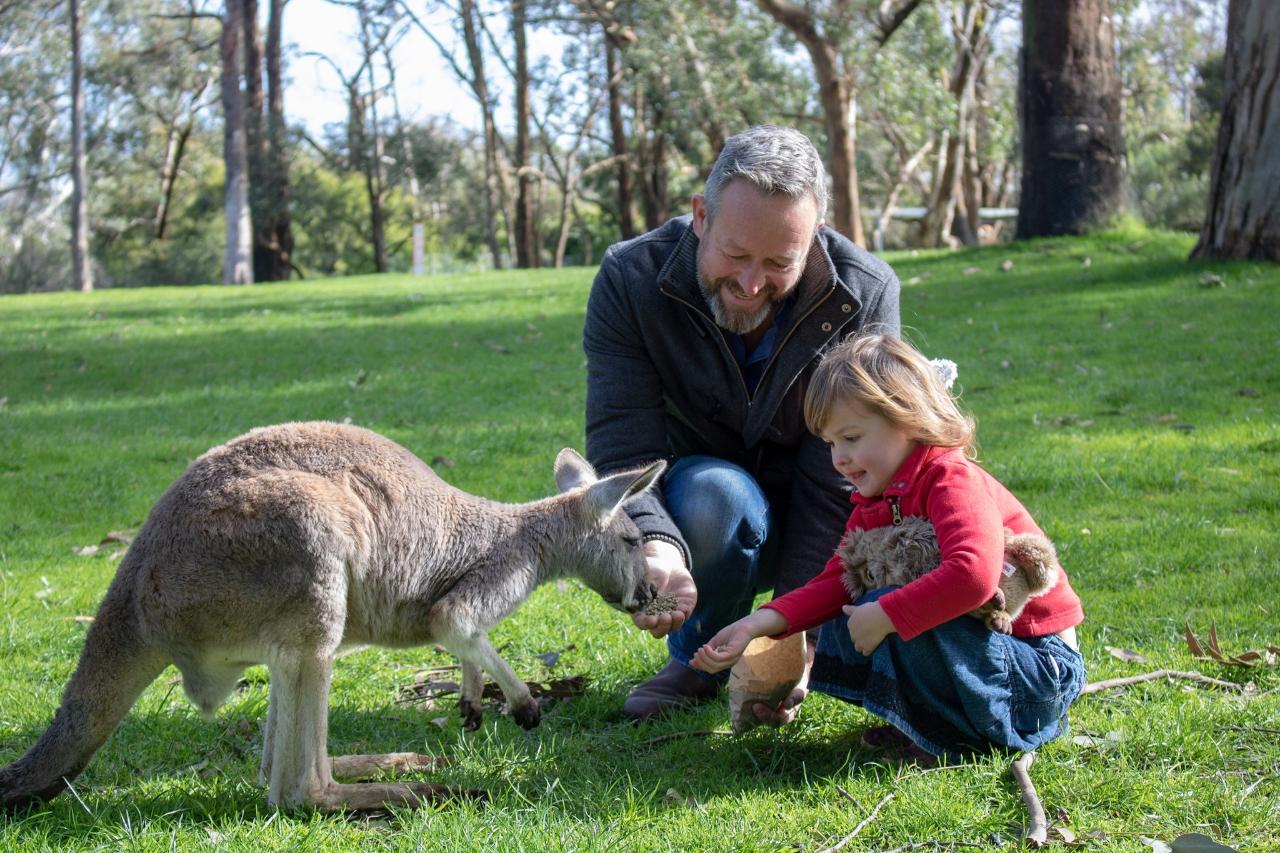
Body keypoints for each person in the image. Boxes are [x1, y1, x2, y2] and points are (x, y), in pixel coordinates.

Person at [582, 125, 901, 720]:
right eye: (734, 255)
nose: (752, 284)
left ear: (817, 237)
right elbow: (622, 440)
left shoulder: (864, 292)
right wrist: (656, 542)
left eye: (779, 262)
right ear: (701, 215)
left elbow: (844, 474)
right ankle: (698, 656)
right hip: (702, 504)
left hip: (823, 509)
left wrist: (791, 629)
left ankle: (791, 655)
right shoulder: (630, 279)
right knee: (718, 497)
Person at [691, 334, 1086, 761]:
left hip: (1037, 669)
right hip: (992, 659)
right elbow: (837, 582)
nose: (839, 458)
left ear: (908, 420)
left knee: (882, 606)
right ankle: (931, 723)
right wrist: (756, 625)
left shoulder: (949, 478)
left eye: (852, 437)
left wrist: (886, 614)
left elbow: (974, 577)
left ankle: (961, 732)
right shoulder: (878, 499)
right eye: (830, 444)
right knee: (848, 613)